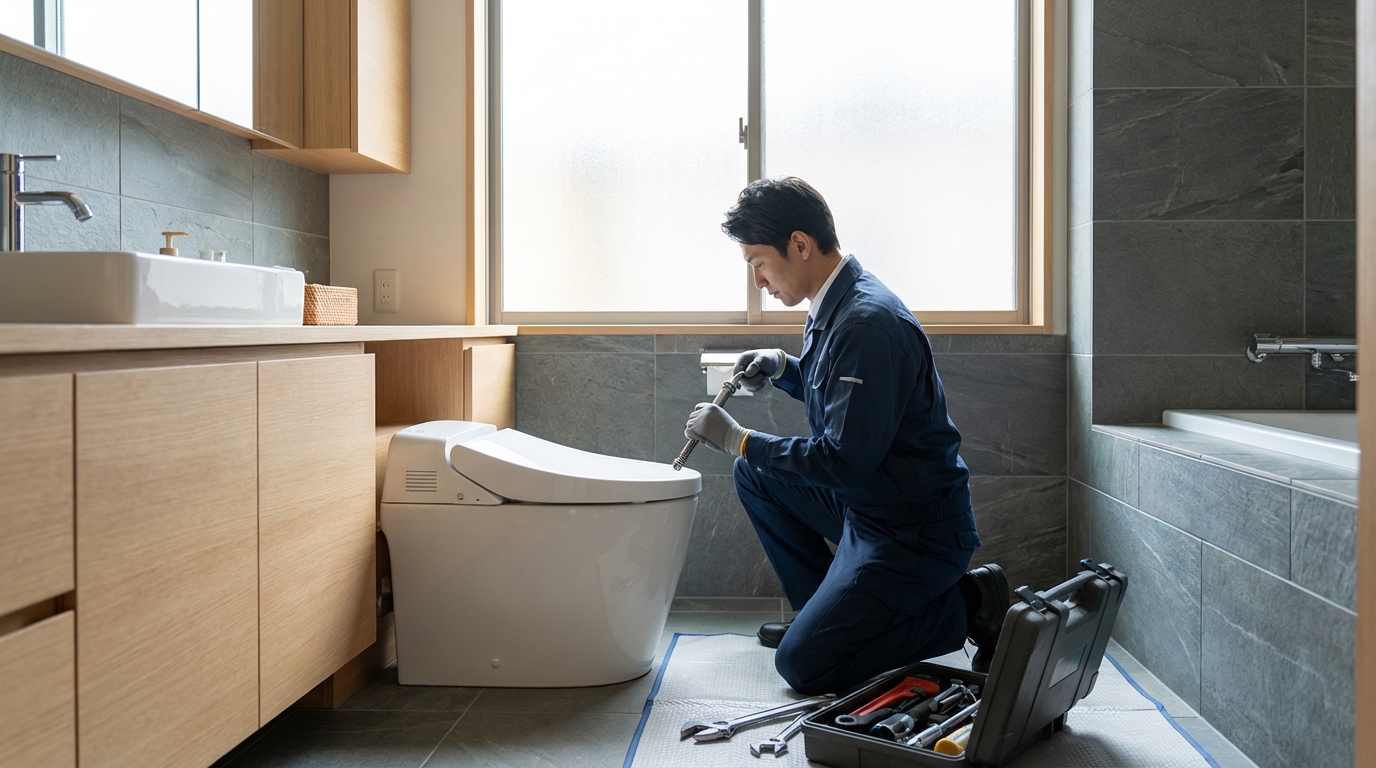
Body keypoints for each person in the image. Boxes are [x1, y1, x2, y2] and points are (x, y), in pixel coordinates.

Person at [683, 177, 1009, 696]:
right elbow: (844, 399)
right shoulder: (836, 301)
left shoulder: (866, 324)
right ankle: (829, 617)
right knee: (756, 475)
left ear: (800, 245)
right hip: (873, 505)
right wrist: (785, 366)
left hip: (914, 532)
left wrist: (737, 438)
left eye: (759, 263)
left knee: (806, 667)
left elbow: (842, 459)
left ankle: (971, 604)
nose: (759, 282)